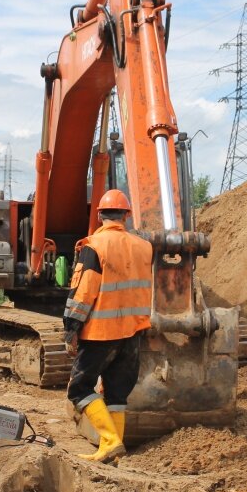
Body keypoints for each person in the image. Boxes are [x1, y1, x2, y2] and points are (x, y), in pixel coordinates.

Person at [63, 189, 153, 463]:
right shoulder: (144, 246)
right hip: (134, 332)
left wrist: (71, 329)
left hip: (101, 332)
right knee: (116, 391)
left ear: (100, 215)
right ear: (126, 215)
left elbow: (84, 292)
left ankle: (111, 441)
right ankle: (111, 450)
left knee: (79, 388)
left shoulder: (94, 246)